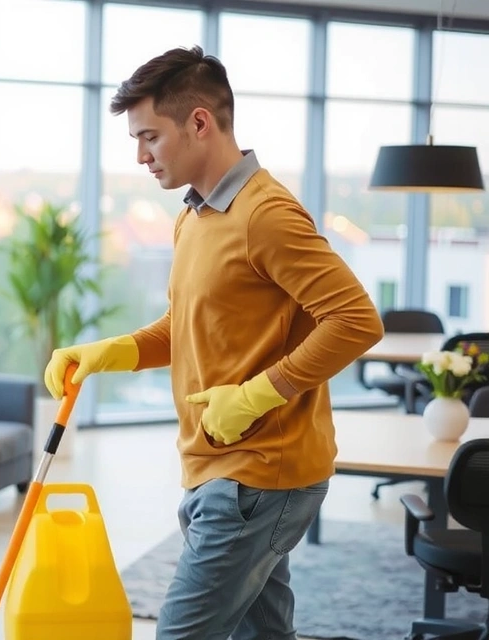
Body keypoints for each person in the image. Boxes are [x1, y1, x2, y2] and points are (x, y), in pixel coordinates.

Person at [44, 46, 384, 639]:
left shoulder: (265, 215)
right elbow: (185, 325)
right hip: (215, 464)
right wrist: (109, 353)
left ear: (199, 122)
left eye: (150, 136)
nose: (141, 156)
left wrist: (255, 395)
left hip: (260, 472)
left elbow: (355, 320)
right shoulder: (195, 216)